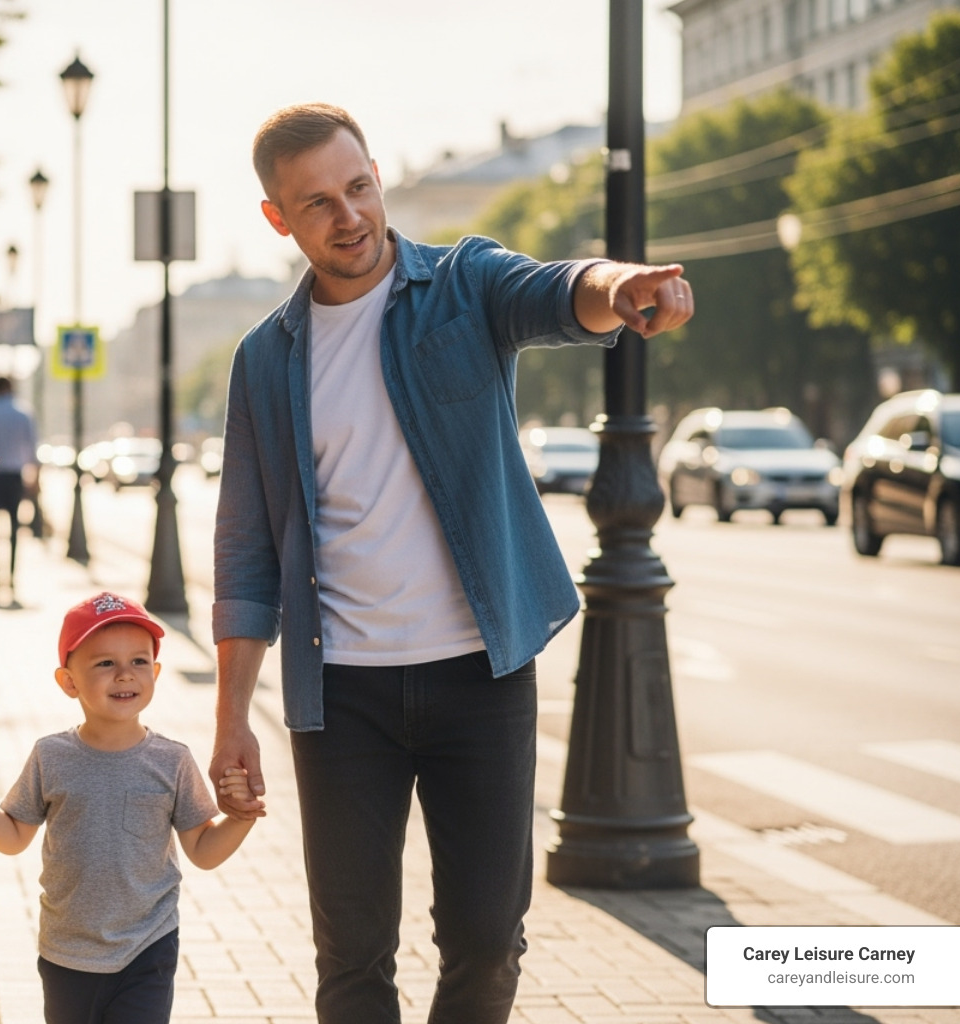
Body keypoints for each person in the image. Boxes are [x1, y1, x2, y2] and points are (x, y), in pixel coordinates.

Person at [208, 103, 696, 1024]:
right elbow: (244, 548)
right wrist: (233, 716)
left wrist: (623, 282)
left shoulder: (463, 284)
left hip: (479, 673)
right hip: (339, 694)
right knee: (351, 958)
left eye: (358, 188)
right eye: (317, 204)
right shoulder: (265, 360)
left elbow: (557, 290)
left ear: (378, 176)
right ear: (278, 218)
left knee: (484, 942)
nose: (349, 216)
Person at [0, 591, 257, 1024]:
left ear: (156, 672)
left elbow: (203, 850)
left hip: (147, 948)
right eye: (105, 664)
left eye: (138, 662)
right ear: (68, 682)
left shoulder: (172, 761)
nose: (125, 675)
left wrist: (240, 817)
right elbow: (15, 835)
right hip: (66, 952)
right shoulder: (50, 756)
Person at [0, 376, 38, 604]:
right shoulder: (23, 413)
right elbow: (32, 447)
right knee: (14, 531)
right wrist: (35, 479)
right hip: (14, 476)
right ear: (11, 388)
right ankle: (11, 581)